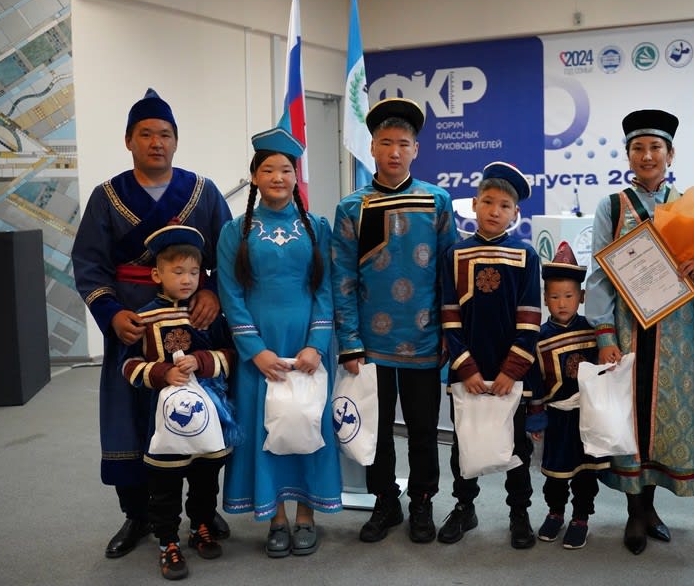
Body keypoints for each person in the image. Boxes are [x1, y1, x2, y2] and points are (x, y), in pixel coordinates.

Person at [72, 88, 233, 559]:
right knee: (130, 416)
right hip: (134, 325)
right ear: (129, 141)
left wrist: (211, 291)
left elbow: (227, 255)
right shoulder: (107, 197)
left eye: (165, 134)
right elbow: (90, 265)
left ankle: (202, 512)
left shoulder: (204, 192)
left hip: (193, 323)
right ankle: (138, 515)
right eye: (145, 134)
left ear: (176, 141)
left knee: (198, 408)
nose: (156, 142)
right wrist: (110, 312)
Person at [331, 97, 459, 544]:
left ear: (416, 149)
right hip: (371, 341)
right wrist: (349, 340)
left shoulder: (436, 201)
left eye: (403, 143)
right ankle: (385, 500)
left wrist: (449, 332)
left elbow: (449, 273)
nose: (394, 151)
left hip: (425, 336)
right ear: (372, 147)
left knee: (424, 428)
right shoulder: (352, 207)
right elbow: (342, 279)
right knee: (377, 427)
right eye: (385, 142)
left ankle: (422, 500)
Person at [585, 109, 694, 556]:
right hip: (627, 328)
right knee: (630, 418)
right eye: (637, 147)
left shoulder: (689, 206)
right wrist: (604, 334)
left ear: (670, 154)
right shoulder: (613, 206)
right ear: (628, 155)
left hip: (674, 332)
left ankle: (652, 507)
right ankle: (635, 513)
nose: (647, 155)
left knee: (663, 419)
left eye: (655, 147)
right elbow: (599, 274)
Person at [217, 127, 343, 558]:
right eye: (268, 169)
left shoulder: (317, 228)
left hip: (308, 343)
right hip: (260, 347)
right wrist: (256, 351)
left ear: (295, 176)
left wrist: (316, 344)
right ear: (254, 176)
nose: (277, 177)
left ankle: (307, 516)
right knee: (264, 429)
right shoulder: (234, 232)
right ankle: (275, 518)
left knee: (308, 423)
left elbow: (326, 288)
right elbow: (230, 295)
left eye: (286, 169)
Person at [121, 224, 238, 580]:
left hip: (208, 414)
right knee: (165, 485)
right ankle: (167, 541)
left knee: (206, 479)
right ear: (157, 275)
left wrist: (202, 362)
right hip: (163, 421)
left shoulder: (208, 315)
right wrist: (161, 373)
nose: (187, 280)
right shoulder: (144, 317)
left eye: (194, 272)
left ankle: (200, 526)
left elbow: (231, 354)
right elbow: (127, 365)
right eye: (178, 272)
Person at [438, 161, 542, 550]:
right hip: (468, 371)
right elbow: (449, 316)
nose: (494, 211)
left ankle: (519, 513)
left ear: (515, 213)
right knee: (464, 442)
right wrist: (466, 368)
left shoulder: (526, 256)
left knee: (517, 446)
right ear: (474, 204)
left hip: (509, 373)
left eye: (504, 205)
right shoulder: (454, 254)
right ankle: (464, 507)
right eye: (487, 201)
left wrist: (511, 371)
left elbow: (529, 319)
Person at [532, 241, 609, 550]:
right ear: (545, 299)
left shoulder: (593, 333)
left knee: (586, 471)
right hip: (556, 416)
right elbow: (535, 380)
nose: (561, 303)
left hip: (586, 415)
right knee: (556, 472)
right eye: (554, 297)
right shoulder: (539, 337)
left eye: (568, 296)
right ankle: (555, 512)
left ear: (582, 296)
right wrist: (535, 415)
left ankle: (581, 517)